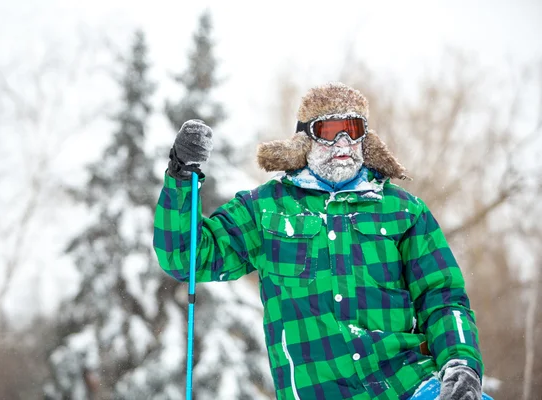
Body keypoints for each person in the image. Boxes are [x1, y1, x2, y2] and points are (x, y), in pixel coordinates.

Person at [154, 83, 491, 399]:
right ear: (305, 140)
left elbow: (442, 296)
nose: (343, 143)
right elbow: (186, 257)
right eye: (329, 132)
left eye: (353, 131)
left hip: (409, 385)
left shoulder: (403, 210)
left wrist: (460, 361)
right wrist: (182, 178)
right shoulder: (265, 209)